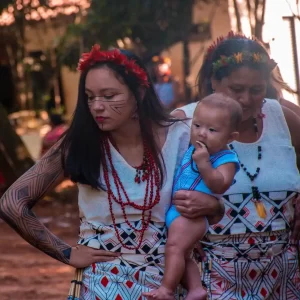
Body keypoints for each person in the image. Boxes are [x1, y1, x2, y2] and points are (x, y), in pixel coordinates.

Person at [0, 45, 224, 299]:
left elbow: (218, 207)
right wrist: (66, 253)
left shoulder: (183, 136)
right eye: (89, 96)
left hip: (169, 285)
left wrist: (213, 207)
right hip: (102, 287)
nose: (97, 106)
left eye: (109, 96)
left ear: (139, 93)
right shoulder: (78, 143)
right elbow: (11, 203)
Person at [172, 31, 300, 299]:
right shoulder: (186, 123)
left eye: (256, 90)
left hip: (284, 277)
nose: (247, 99)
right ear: (214, 82)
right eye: (236, 89)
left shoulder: (281, 117)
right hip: (214, 278)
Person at [143, 93, 241, 300]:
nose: (202, 134)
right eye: (197, 126)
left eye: (212, 130)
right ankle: (196, 288)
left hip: (193, 215)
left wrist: (205, 163)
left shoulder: (226, 158)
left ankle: (166, 290)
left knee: (174, 248)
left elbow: (220, 184)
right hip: (178, 213)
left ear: (231, 137)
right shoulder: (192, 147)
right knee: (181, 253)